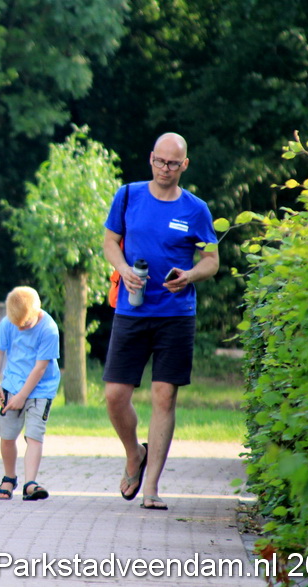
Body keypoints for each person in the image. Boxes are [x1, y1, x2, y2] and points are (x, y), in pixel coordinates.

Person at [102, 132, 218, 510]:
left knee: (164, 395)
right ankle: (134, 453)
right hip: (131, 310)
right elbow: (109, 241)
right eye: (159, 161)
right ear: (151, 158)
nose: (164, 169)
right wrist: (123, 269)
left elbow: (211, 261)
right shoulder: (128, 196)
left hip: (175, 315)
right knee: (114, 395)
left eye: (172, 163)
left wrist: (189, 275)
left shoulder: (196, 209)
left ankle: (151, 486)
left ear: (185, 165)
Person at [0, 286, 60, 501]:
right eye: (16, 324)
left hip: (41, 389)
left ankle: (30, 483)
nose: (20, 328)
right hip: (12, 384)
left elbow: (40, 368)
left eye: (25, 324)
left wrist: (22, 397)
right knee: (7, 436)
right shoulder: (9, 322)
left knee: (34, 436)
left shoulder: (49, 329)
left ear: (38, 311)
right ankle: (9, 478)